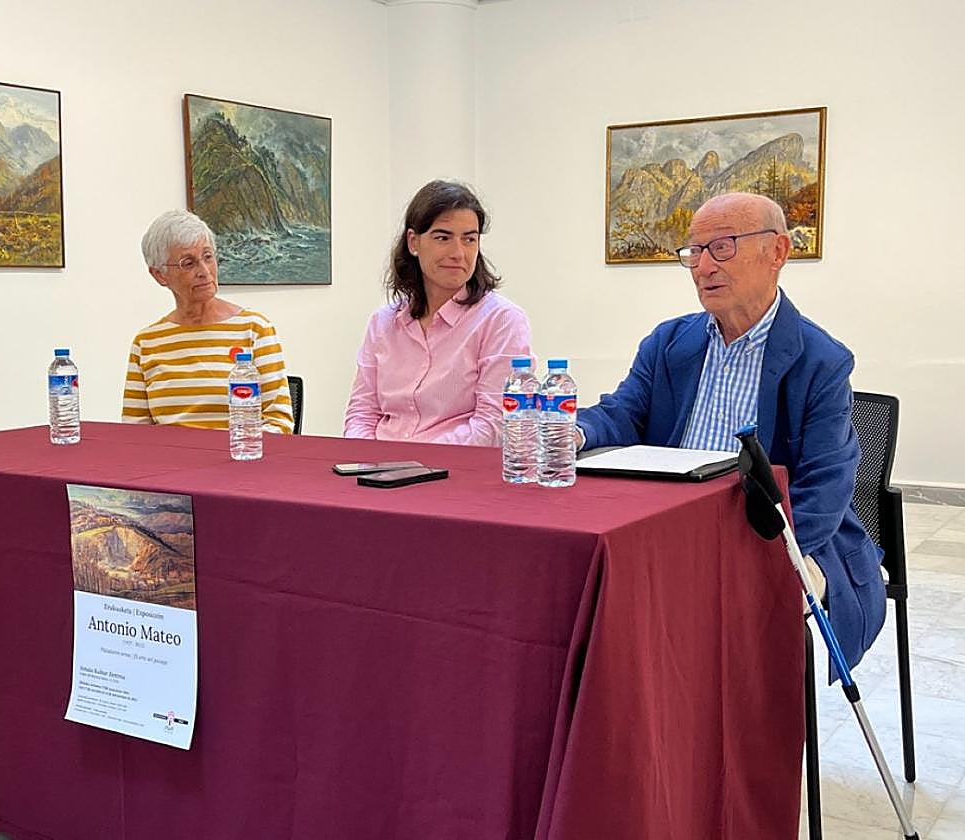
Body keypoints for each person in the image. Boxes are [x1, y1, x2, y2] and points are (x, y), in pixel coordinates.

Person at [576, 192, 884, 669]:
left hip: (770, 534)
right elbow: (622, 412)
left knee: (728, 605)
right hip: (671, 526)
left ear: (777, 252)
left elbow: (823, 491)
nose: (703, 267)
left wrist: (749, 556)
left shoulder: (821, 361)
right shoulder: (668, 343)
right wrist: (572, 432)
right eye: (694, 252)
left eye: (722, 247)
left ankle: (744, 733)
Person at [344, 180, 533, 446]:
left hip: (454, 472)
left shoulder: (501, 320)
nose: (458, 253)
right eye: (443, 238)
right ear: (413, 242)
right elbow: (362, 413)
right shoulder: (383, 322)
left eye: (469, 239)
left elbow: (494, 425)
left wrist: (412, 458)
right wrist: (363, 456)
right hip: (378, 470)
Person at [123, 210, 294, 433]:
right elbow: (134, 434)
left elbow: (279, 422)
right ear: (160, 275)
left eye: (207, 257)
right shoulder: (146, 343)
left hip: (239, 461)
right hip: (170, 464)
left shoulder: (255, 329)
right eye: (188, 263)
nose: (204, 271)